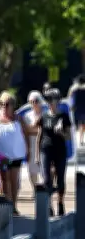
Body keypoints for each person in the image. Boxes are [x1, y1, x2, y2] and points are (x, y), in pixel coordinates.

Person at [0, 92, 30, 214]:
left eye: (8, 104)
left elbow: (26, 134)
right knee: (3, 180)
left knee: (14, 181)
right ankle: (5, 205)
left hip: (16, 155)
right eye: (2, 104)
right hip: (0, 155)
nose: (5, 107)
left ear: (13, 105)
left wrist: (29, 150)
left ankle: (13, 205)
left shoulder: (19, 118)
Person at [35, 88, 72, 216]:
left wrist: (61, 132)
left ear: (58, 101)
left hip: (60, 150)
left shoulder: (63, 116)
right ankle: (48, 205)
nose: (50, 102)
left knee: (60, 179)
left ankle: (60, 203)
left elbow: (68, 136)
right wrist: (37, 154)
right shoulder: (44, 116)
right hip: (46, 149)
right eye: (48, 100)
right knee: (46, 178)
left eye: (52, 99)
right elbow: (39, 135)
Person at [23, 90, 45, 186]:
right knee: (32, 169)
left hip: (44, 142)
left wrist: (34, 128)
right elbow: (26, 130)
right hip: (31, 142)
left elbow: (45, 129)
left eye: (36, 101)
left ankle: (45, 189)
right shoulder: (27, 115)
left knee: (45, 167)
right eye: (31, 101)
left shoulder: (46, 114)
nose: (34, 103)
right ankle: (35, 189)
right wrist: (37, 128)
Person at [69, 75, 85, 146]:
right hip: (83, 109)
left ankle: (75, 140)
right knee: (82, 124)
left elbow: (70, 97)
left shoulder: (74, 89)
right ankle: (81, 140)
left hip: (75, 109)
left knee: (75, 125)